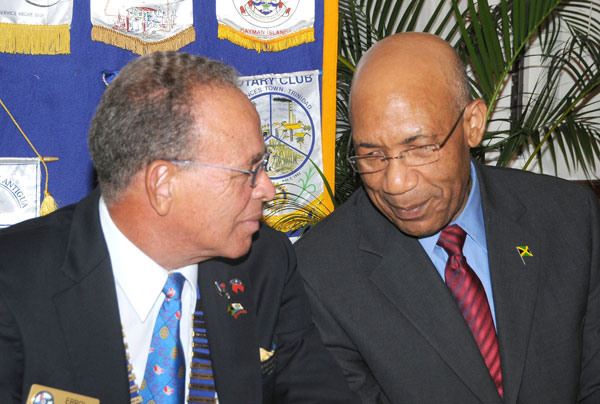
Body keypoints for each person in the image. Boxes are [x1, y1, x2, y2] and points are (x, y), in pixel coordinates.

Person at [0, 52, 359, 404]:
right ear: (163, 185)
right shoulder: (13, 282)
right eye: (249, 171)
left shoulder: (265, 263)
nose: (268, 189)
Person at [295, 32, 600, 404]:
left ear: (473, 123)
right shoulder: (321, 272)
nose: (395, 183)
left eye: (420, 148)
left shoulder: (570, 218)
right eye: (372, 156)